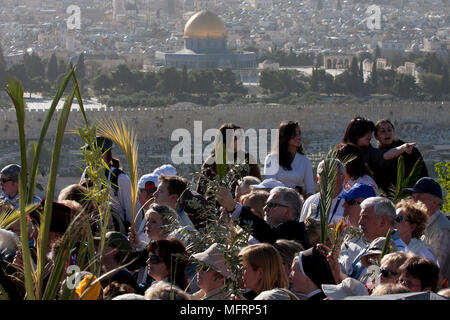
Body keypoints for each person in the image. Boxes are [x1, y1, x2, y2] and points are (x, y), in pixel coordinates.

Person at [217, 186, 310, 249]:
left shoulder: (294, 231)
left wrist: (232, 207)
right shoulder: (285, 230)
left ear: (288, 211)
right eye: (266, 204)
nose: (265, 208)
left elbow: (266, 232)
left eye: (271, 205)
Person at [80, 137, 134, 234]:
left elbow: (131, 213)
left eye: (92, 153)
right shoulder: (87, 174)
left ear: (105, 155)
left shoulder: (119, 179)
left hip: (116, 233)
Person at [337, 116, 416, 181]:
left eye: (370, 133)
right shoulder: (344, 150)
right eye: (365, 133)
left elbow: (385, 155)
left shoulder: (369, 151)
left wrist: (403, 147)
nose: (369, 136)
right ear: (356, 134)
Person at [404, 177, 449, 282]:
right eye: (412, 197)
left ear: (435, 201)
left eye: (418, 197)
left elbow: (436, 273)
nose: (413, 202)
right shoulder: (427, 224)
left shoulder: (442, 230)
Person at [197, 123, 262, 195]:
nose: (241, 140)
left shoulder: (248, 158)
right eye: (236, 137)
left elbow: (258, 185)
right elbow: (201, 192)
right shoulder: (211, 162)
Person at [374, 119, 428, 195]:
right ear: (376, 136)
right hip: (388, 198)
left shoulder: (409, 150)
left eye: (389, 130)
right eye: (383, 131)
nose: (387, 133)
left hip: (411, 196)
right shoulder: (376, 156)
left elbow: (423, 174)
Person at [264, 121, 314, 199]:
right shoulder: (271, 159)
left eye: (299, 133)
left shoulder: (305, 161)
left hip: (298, 203)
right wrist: (294, 191)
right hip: (277, 202)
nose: (299, 137)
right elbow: (269, 185)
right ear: (285, 136)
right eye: (294, 134)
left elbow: (310, 190)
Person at [299, 159, 346, 224]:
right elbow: (302, 229)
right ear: (317, 178)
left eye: (332, 174)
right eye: (323, 174)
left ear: (343, 177)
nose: (327, 177)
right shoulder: (310, 201)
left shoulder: (351, 202)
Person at [134, 173, 159, 243]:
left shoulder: (153, 216)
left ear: (144, 194)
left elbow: (144, 242)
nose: (137, 197)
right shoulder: (164, 211)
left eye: (138, 193)